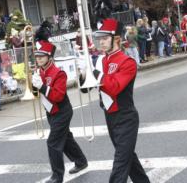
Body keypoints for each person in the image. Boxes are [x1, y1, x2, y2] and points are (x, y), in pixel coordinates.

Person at [80, 18, 150, 183]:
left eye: (105, 38)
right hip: (110, 117)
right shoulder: (102, 60)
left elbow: (114, 88)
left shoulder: (128, 62)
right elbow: (86, 89)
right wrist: (83, 74)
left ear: (116, 39)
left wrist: (95, 73)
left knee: (120, 163)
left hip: (126, 117)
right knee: (128, 159)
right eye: (100, 38)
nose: (101, 42)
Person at [31, 40, 88, 183]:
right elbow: (36, 95)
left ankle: (57, 176)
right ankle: (81, 161)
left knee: (53, 142)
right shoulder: (39, 72)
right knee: (66, 138)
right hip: (51, 112)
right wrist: (33, 85)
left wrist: (42, 86)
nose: (38, 59)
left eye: (41, 56)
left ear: (49, 57)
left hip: (62, 111)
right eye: (37, 56)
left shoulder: (59, 73)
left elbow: (58, 96)